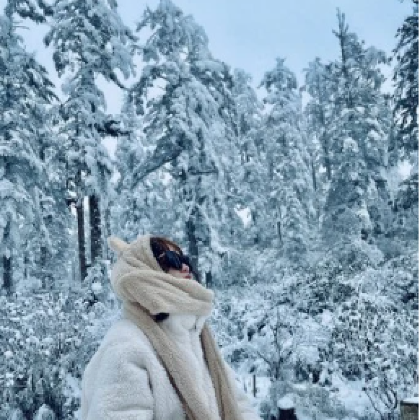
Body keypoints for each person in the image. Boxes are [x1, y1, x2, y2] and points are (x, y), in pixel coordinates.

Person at [81, 234, 261, 420]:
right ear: (146, 268)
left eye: (183, 258)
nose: (184, 266)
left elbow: (238, 404)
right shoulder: (125, 346)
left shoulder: (197, 335)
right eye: (171, 259)